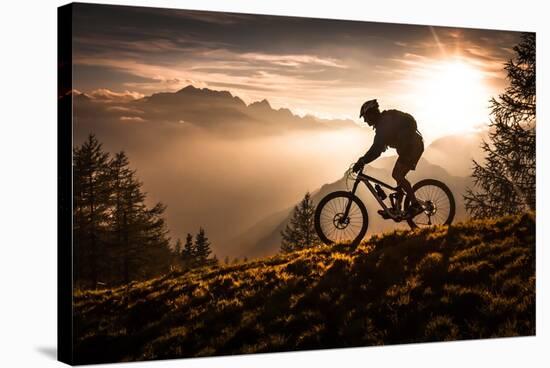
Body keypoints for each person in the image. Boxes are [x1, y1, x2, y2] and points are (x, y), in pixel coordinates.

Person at [352, 99, 424, 217]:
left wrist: (363, 160)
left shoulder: (383, 125)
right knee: (398, 176)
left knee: (397, 175)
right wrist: (363, 159)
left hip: (413, 147)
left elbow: (376, 149)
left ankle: (415, 205)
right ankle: (397, 208)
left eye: (365, 117)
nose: (365, 120)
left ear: (372, 113)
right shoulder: (383, 123)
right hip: (411, 147)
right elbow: (378, 148)